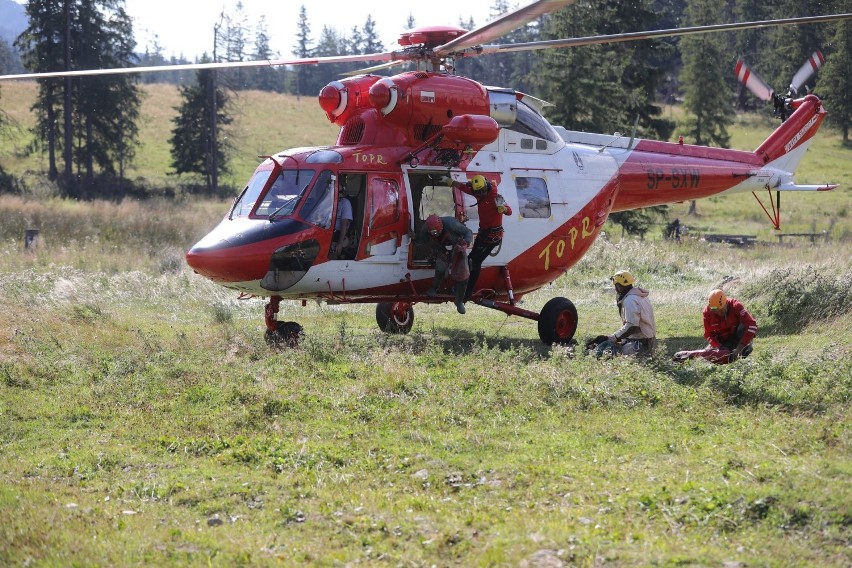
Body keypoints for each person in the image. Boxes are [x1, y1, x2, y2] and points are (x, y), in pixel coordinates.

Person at [449, 174, 512, 302]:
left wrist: (503, 208)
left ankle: (466, 294)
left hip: (492, 238)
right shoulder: (478, 192)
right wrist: (451, 182)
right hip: (483, 234)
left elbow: (509, 211)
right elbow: (464, 188)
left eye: (482, 191)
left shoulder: (495, 197)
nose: (481, 193)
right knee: (470, 259)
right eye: (478, 192)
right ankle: (462, 288)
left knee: (475, 262)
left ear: (486, 186)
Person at [673, 289, 757, 364]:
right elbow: (708, 335)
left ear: (726, 303)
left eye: (721, 309)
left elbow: (752, 324)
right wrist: (719, 347)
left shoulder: (735, 305)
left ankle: (701, 355)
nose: (719, 313)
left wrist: (740, 348)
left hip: (738, 339)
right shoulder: (707, 312)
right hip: (722, 341)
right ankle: (687, 355)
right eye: (715, 310)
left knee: (746, 349)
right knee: (726, 356)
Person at [587, 270, 657, 356]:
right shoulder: (639, 295)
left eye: (615, 284)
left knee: (607, 351)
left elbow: (632, 326)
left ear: (619, 285)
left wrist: (614, 337)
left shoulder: (630, 300)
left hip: (640, 344)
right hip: (647, 340)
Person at [420, 214, 472, 314]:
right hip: (441, 249)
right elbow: (422, 241)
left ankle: (459, 300)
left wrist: (465, 243)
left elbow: (468, 232)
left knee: (463, 274)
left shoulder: (452, 224)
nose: (436, 234)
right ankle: (434, 288)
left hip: (457, 247)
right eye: (433, 233)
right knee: (440, 268)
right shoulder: (425, 228)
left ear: (442, 226)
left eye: (437, 231)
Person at [329, 194, 353, 259]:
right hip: (327, 230)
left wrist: (340, 243)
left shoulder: (345, 203)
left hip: (338, 233)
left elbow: (345, 223)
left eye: (340, 191)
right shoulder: (329, 201)